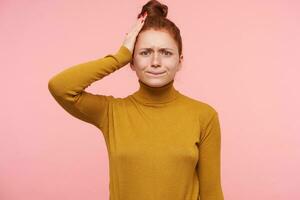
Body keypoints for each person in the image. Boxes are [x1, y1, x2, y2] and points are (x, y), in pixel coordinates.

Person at [48, 0, 224, 199]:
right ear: (132, 62)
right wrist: (120, 56)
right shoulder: (112, 112)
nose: (155, 62)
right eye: (145, 53)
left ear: (180, 61)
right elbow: (61, 87)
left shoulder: (204, 116)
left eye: (166, 53)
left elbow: (212, 194)